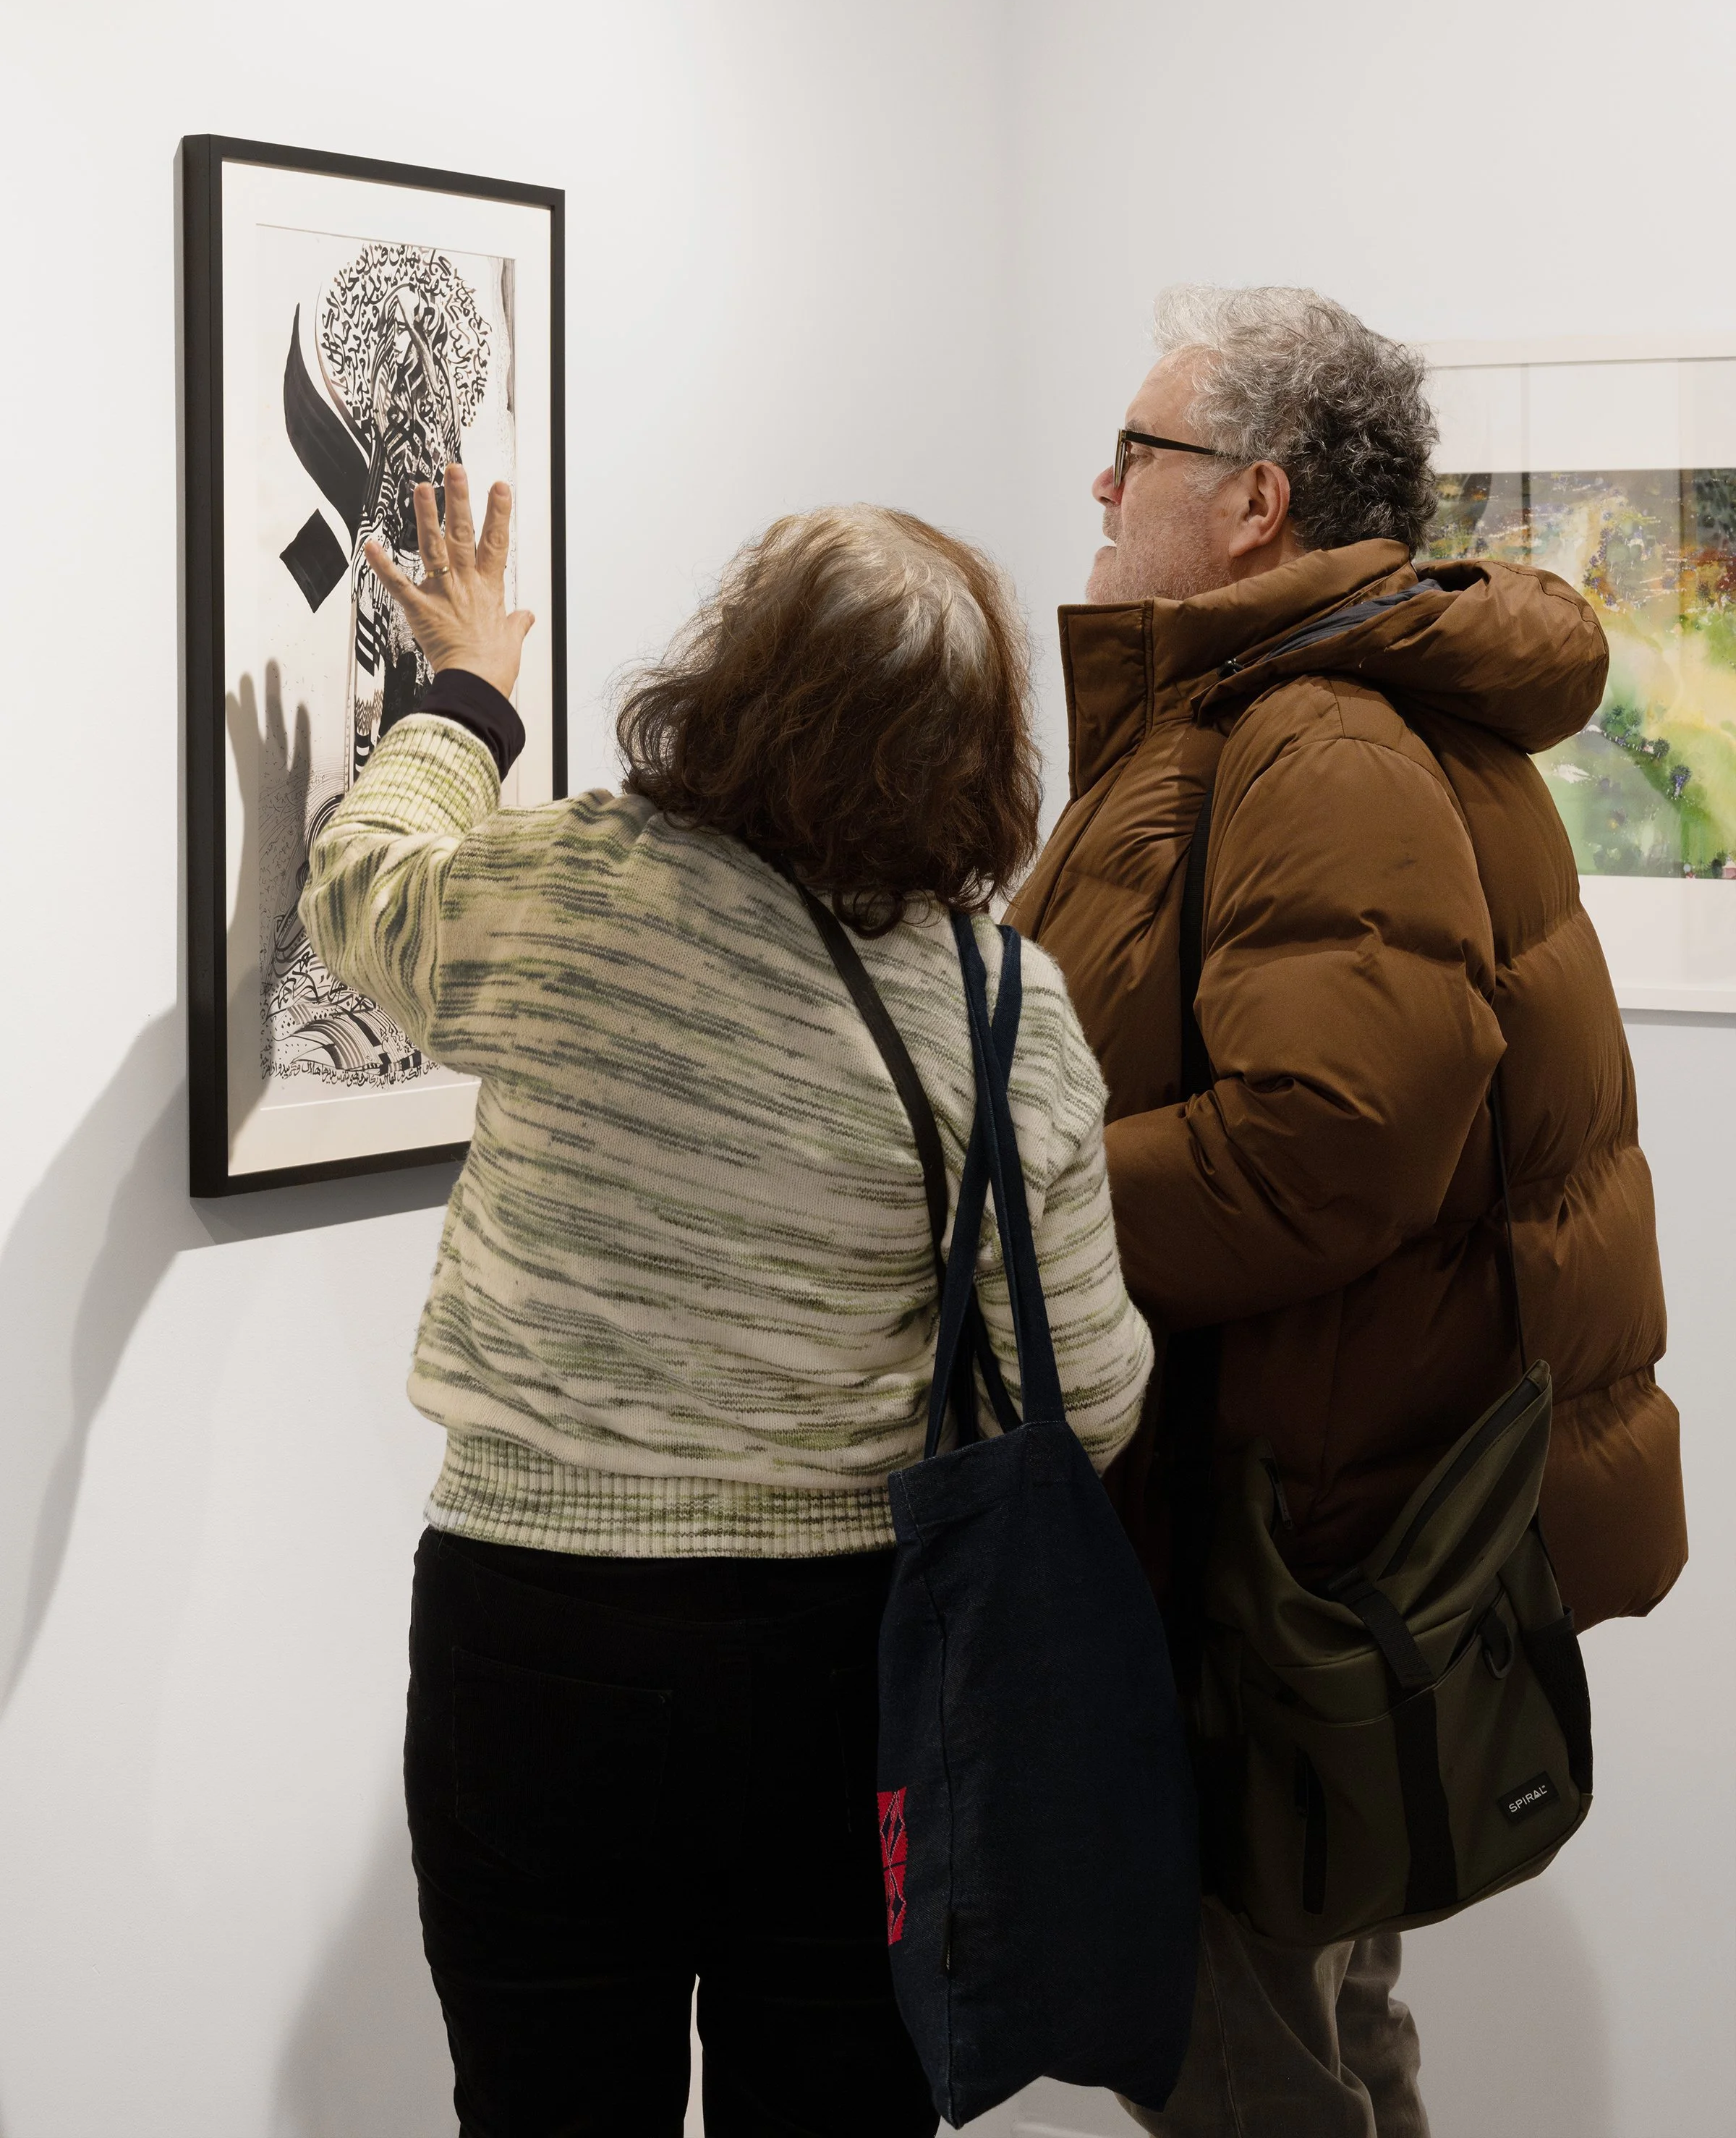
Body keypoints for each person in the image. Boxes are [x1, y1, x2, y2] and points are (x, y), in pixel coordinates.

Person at [300, 466, 1154, 2138]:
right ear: (978, 751)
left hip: (534, 1634)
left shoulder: (559, 899)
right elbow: (1092, 1399)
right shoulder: (1003, 1009)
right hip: (853, 1663)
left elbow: (366, 884)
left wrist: (468, 684)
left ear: (733, 687)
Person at [1008, 286, 1688, 2138]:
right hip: (1337, 1506)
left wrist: (1017, 1208)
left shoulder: (1316, 734)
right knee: (1321, 2009)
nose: (1100, 479)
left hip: (1281, 1534)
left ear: (1255, 500)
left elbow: (1332, 1142)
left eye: (1138, 450)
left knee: (1230, 2041)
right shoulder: (1329, 706)